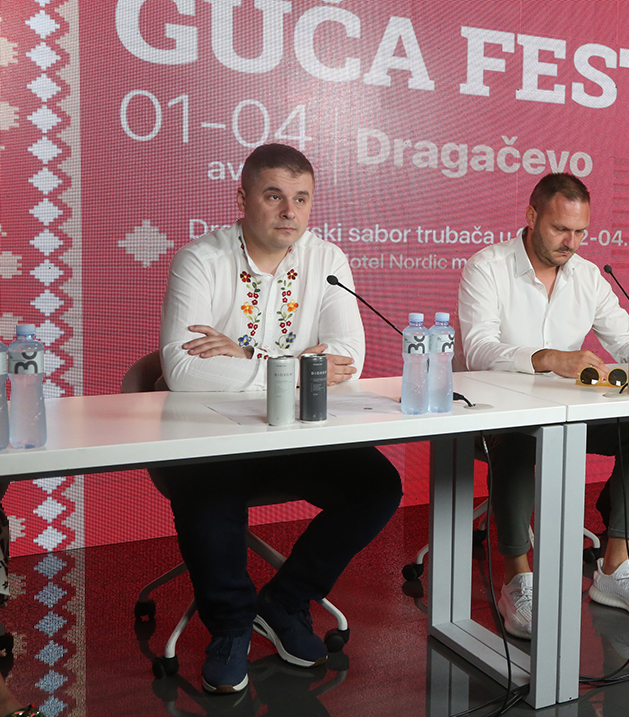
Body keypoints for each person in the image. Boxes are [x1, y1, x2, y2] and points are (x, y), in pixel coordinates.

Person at [159, 144, 403, 694]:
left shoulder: (327, 260)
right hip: (212, 437)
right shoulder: (200, 259)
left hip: (296, 435)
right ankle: (230, 627)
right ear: (242, 198)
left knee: (377, 487)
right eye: (274, 196)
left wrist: (247, 356)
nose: (290, 212)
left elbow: (349, 359)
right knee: (207, 486)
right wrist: (296, 368)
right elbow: (183, 370)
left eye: (301, 198)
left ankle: (286, 600)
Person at [458, 173, 629, 639]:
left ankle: (616, 569)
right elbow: (478, 350)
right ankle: (518, 578)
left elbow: (624, 339)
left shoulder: (588, 275)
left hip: (568, 414)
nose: (571, 243)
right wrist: (548, 358)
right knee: (517, 435)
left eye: (580, 232)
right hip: (492, 413)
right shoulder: (487, 266)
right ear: (531, 216)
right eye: (560, 229)